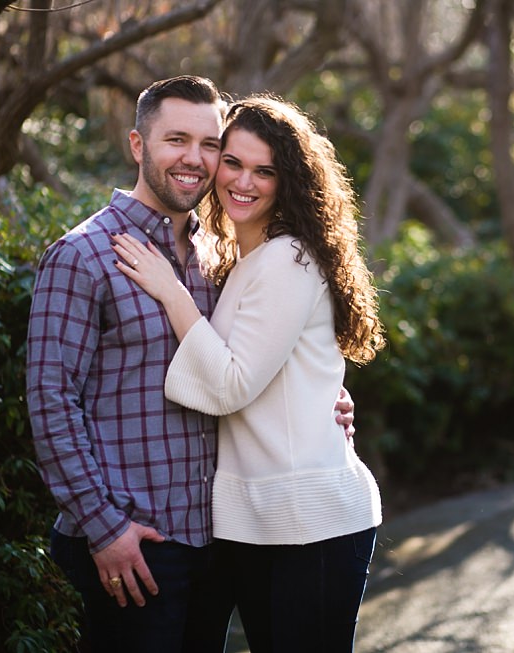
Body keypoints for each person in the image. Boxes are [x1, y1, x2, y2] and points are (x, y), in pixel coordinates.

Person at [26, 77, 355, 653]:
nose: (194, 159)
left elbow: (255, 362)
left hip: (217, 543)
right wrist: (103, 528)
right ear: (137, 144)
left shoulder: (217, 260)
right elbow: (50, 402)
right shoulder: (83, 255)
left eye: (210, 144)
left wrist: (325, 399)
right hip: (134, 544)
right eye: (176, 140)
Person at [110, 94, 385, 652]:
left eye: (264, 171)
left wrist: (170, 292)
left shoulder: (288, 258)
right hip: (258, 521)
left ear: (289, 182)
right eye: (232, 162)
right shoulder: (240, 259)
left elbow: (232, 383)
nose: (243, 181)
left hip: (310, 520)